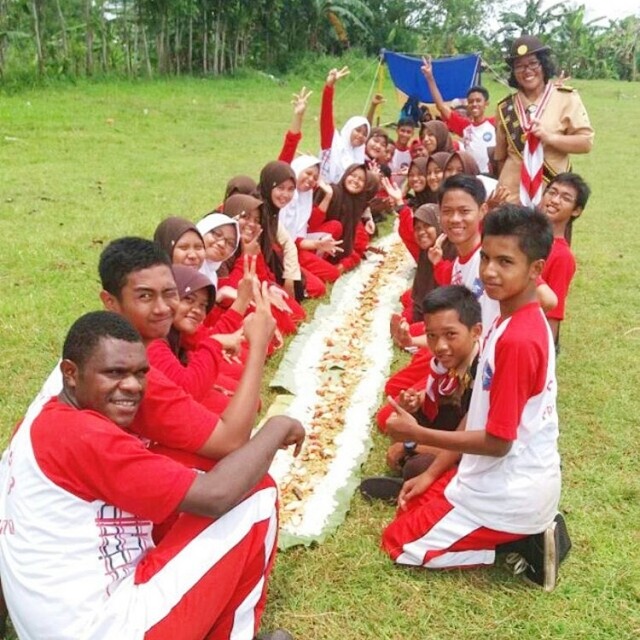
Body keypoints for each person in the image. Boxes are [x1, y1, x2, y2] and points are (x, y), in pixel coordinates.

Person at [0, 310, 303, 639]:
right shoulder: (82, 434)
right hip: (105, 627)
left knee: (181, 463)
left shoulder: (51, 414)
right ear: (71, 373)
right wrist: (276, 429)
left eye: (141, 373)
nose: (132, 386)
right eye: (115, 373)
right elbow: (216, 496)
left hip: (58, 619)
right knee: (256, 492)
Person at [381, 204, 570, 592]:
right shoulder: (508, 319)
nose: (489, 271)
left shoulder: (518, 338)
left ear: (535, 270)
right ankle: (502, 524)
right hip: (491, 479)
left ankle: (519, 542)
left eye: (505, 261)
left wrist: (419, 432)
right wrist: (433, 471)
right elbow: (478, 413)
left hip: (507, 490)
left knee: (399, 544)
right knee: (414, 498)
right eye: (486, 257)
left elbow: (497, 443)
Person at [361, 285, 482, 500]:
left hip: (483, 459)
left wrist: (413, 445)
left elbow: (474, 447)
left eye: (450, 335)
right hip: (465, 441)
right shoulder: (454, 359)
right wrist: (416, 404)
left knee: (418, 465)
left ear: (476, 331)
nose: (440, 345)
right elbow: (449, 403)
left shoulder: (484, 373)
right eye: (432, 336)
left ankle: (422, 484)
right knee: (407, 416)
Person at [494, 35, 594, 206]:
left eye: (533, 63)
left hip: (551, 199)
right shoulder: (505, 107)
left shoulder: (566, 98)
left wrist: (550, 137)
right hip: (512, 198)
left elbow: (585, 143)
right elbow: (501, 158)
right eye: (519, 66)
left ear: (544, 64)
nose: (527, 70)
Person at [421, 55, 496, 174]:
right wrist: (430, 78)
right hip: (471, 176)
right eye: (471, 101)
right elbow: (441, 106)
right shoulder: (465, 127)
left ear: (486, 103)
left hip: (492, 175)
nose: (474, 104)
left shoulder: (495, 123)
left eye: (478, 100)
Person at [540, 172, 591, 343]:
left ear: (576, 211)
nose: (554, 200)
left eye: (565, 198)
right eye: (552, 192)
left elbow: (553, 312)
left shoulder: (562, 256)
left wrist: (547, 361)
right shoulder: (523, 237)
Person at [320, 66, 370, 183]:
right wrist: (329, 87)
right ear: (349, 129)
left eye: (364, 134)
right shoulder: (332, 142)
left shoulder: (359, 158)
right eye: (357, 130)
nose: (360, 136)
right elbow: (326, 115)